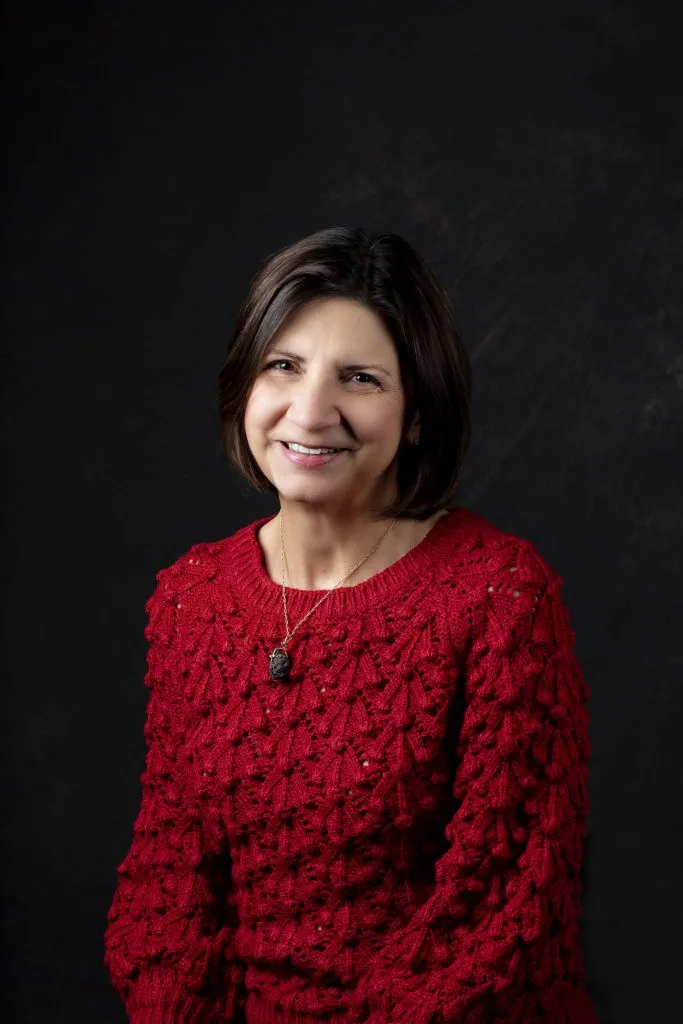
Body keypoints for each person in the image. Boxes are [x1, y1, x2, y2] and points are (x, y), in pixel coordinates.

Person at [103, 226, 597, 1023]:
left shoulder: (498, 595)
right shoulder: (189, 599)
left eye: (359, 378)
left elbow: (504, 915)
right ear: (244, 387)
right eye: (283, 367)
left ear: (415, 416)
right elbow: (169, 883)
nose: (310, 410)